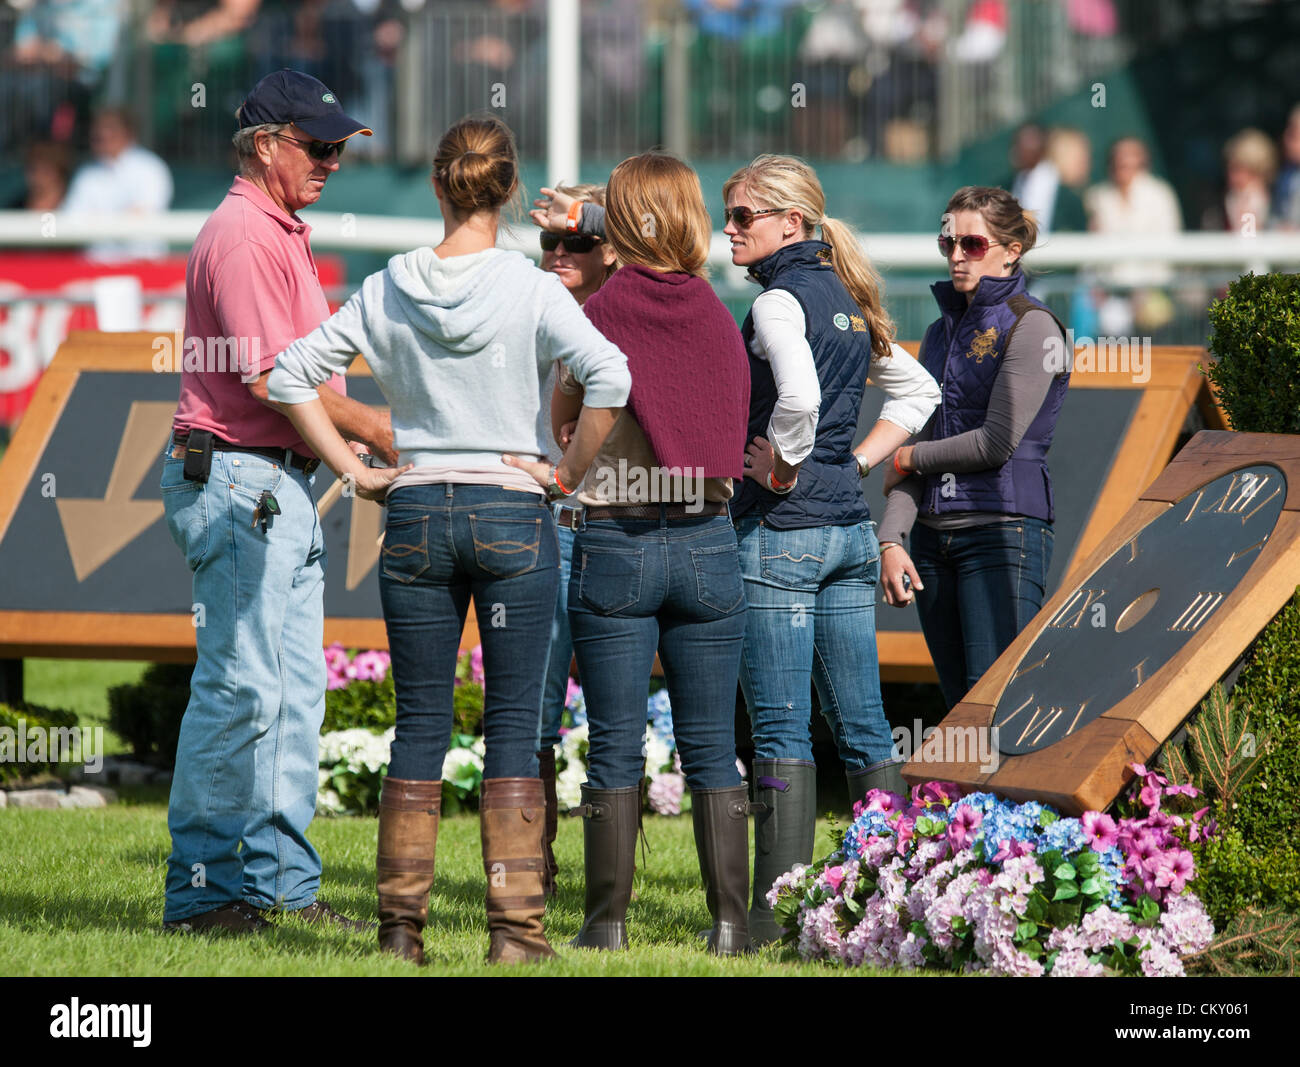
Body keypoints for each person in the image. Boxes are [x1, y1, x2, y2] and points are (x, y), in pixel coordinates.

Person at [268, 116, 631, 965]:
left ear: (437, 186)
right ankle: (516, 933)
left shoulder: (388, 284)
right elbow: (611, 375)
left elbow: (289, 375)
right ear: (509, 193)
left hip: (417, 511)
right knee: (512, 724)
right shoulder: (534, 286)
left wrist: (355, 471)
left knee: (420, 722)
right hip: (513, 514)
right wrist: (567, 471)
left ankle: (400, 932)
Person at [160, 70, 394, 935]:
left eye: (338, 146)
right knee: (242, 689)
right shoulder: (247, 235)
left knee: (292, 694)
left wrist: (349, 430)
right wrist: (374, 425)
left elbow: (296, 375)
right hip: (238, 478)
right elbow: (272, 376)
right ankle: (203, 894)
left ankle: (281, 887)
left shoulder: (277, 227)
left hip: (270, 481)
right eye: (317, 145)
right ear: (266, 145)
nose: (332, 160)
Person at [512, 152, 753, 956]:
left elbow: (565, 419)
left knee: (614, 739)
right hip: (711, 541)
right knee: (714, 744)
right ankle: (728, 924)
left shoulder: (606, 310)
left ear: (619, 224)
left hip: (619, 538)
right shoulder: (718, 311)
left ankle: (605, 920)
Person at [722, 153, 940, 944]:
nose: (730, 229)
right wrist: (849, 464)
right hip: (849, 531)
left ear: (793, 223)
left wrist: (783, 464)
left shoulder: (781, 300)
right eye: (730, 214)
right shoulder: (848, 297)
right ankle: (902, 909)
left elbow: (802, 397)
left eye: (744, 216)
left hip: (782, 537)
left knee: (781, 732)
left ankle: (773, 920)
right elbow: (919, 394)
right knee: (866, 728)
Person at [878, 185, 1069, 713]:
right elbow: (920, 437)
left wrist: (905, 459)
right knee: (960, 710)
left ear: (1011, 250)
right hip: (932, 543)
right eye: (949, 243)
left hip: (1002, 534)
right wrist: (891, 539)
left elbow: (996, 442)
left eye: (974, 244)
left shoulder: (1034, 326)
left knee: (1000, 708)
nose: (957, 255)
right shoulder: (940, 333)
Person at [527, 181, 618, 898]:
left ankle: (609, 883)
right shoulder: (530, 309)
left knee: (618, 722)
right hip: (549, 531)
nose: (558, 252)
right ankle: (530, 867)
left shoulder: (638, 313)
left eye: (576, 241)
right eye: (549, 242)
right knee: (533, 711)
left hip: (622, 532)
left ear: (610, 247)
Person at [61, 107, 174, 260]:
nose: (103, 134)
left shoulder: (150, 168)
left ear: (128, 132)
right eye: (99, 130)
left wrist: (95, 221)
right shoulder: (86, 175)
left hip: (143, 265)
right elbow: (71, 219)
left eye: (110, 129)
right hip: (94, 267)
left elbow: (144, 215)